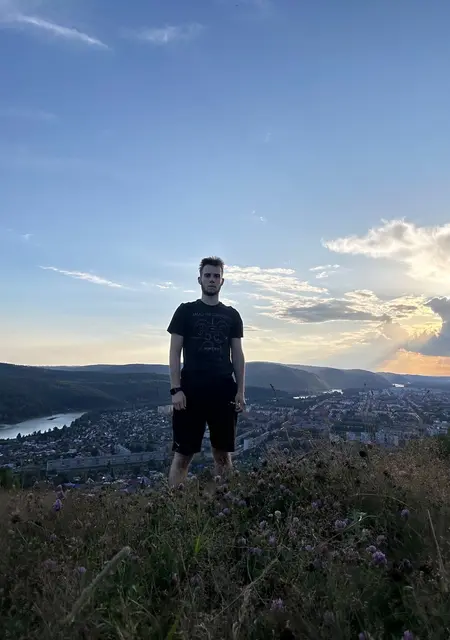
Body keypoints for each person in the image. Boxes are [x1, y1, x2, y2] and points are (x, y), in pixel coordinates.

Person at [167, 256, 245, 487]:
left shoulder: (232, 315)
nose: (212, 279)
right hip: (190, 391)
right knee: (183, 454)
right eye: (208, 275)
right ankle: (173, 504)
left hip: (223, 389)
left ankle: (226, 502)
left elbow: (237, 355)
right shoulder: (185, 311)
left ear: (222, 281)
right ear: (199, 279)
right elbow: (174, 352)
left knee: (222, 455)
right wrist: (176, 389)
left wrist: (240, 391)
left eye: (216, 276)